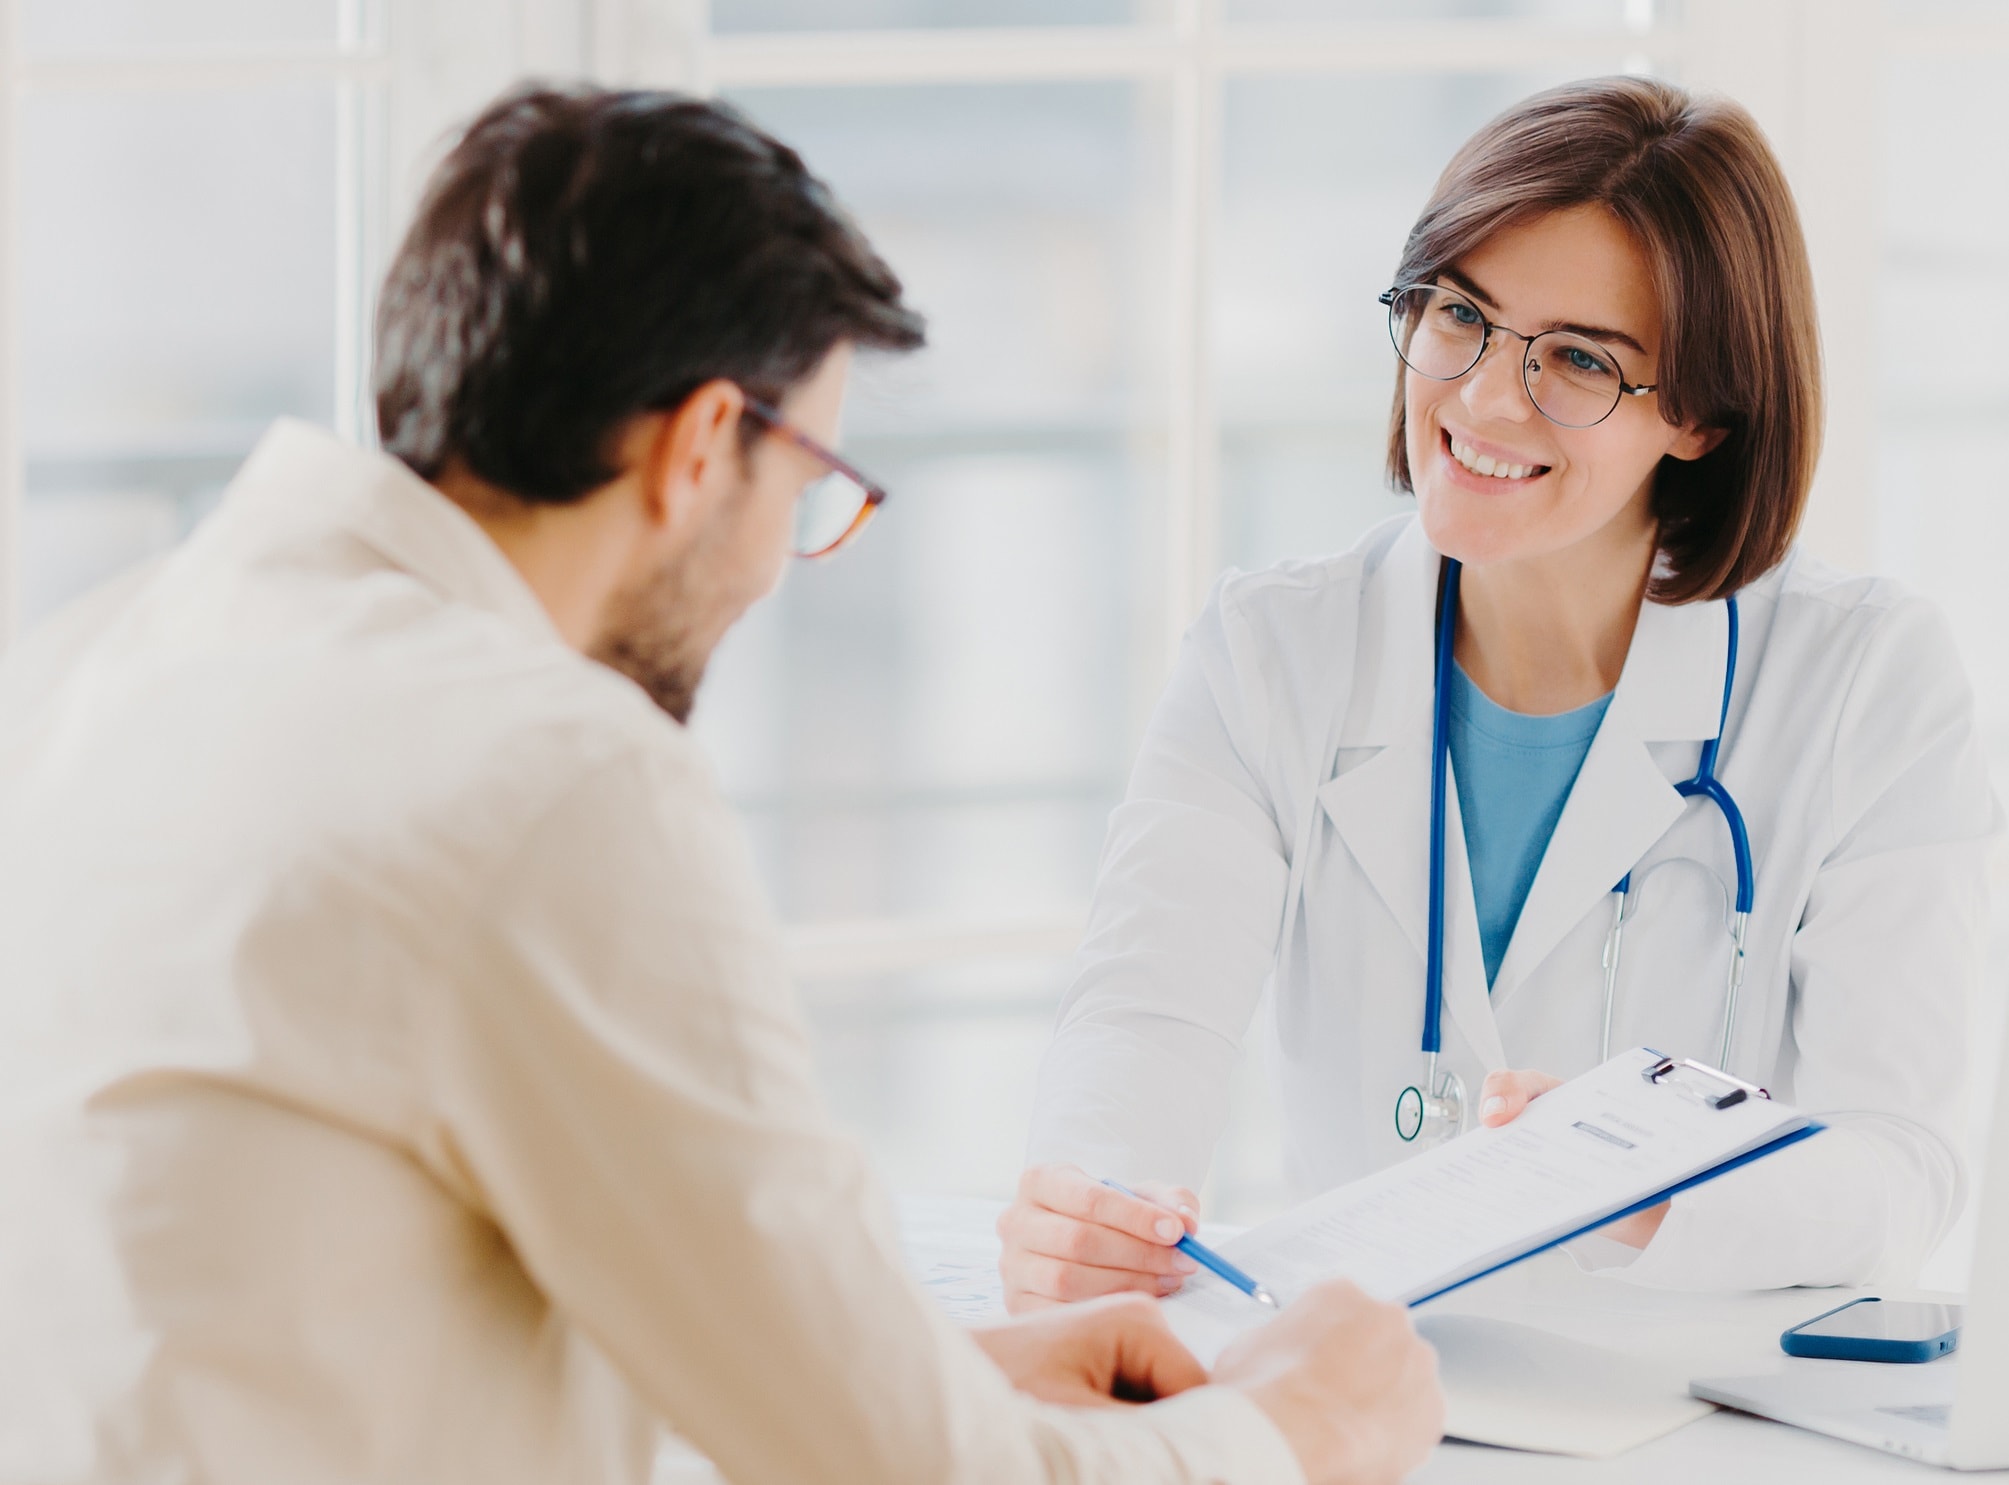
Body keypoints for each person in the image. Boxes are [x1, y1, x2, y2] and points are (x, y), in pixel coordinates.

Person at [0, 87, 1442, 1485]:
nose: (775, 565)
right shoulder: (546, 774)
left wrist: (947, 1366)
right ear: (702, 446)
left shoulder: (106, 654)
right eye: (809, 482)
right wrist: (1297, 1426)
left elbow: (358, 1294)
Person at [1002, 75, 2000, 1313]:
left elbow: (1899, 1167)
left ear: (1697, 414)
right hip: (1362, 1390)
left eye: (1579, 361)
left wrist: (1661, 1182)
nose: (1480, 398)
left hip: (1688, 1415)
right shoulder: (1270, 653)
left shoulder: (1862, 684)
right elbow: (1144, 1019)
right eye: (1458, 317)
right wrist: (1100, 1211)